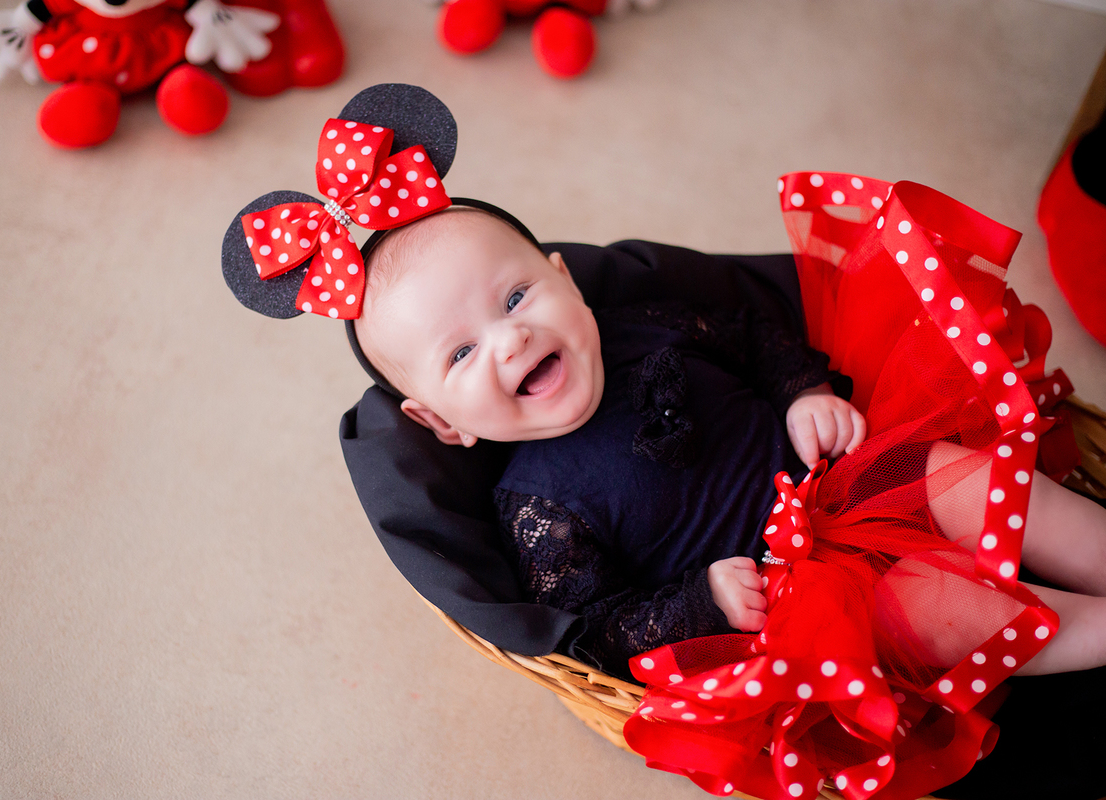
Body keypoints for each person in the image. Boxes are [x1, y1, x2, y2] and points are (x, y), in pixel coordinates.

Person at [348, 200, 1106, 798]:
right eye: (462, 352)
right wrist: (700, 601)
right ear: (441, 423)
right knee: (925, 604)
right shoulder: (537, 509)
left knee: (960, 474)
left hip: (848, 477)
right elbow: (602, 628)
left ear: (567, 281)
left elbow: (754, 333)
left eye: (516, 296)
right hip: (801, 594)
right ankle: (1091, 630)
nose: (509, 340)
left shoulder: (649, 328)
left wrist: (801, 391)